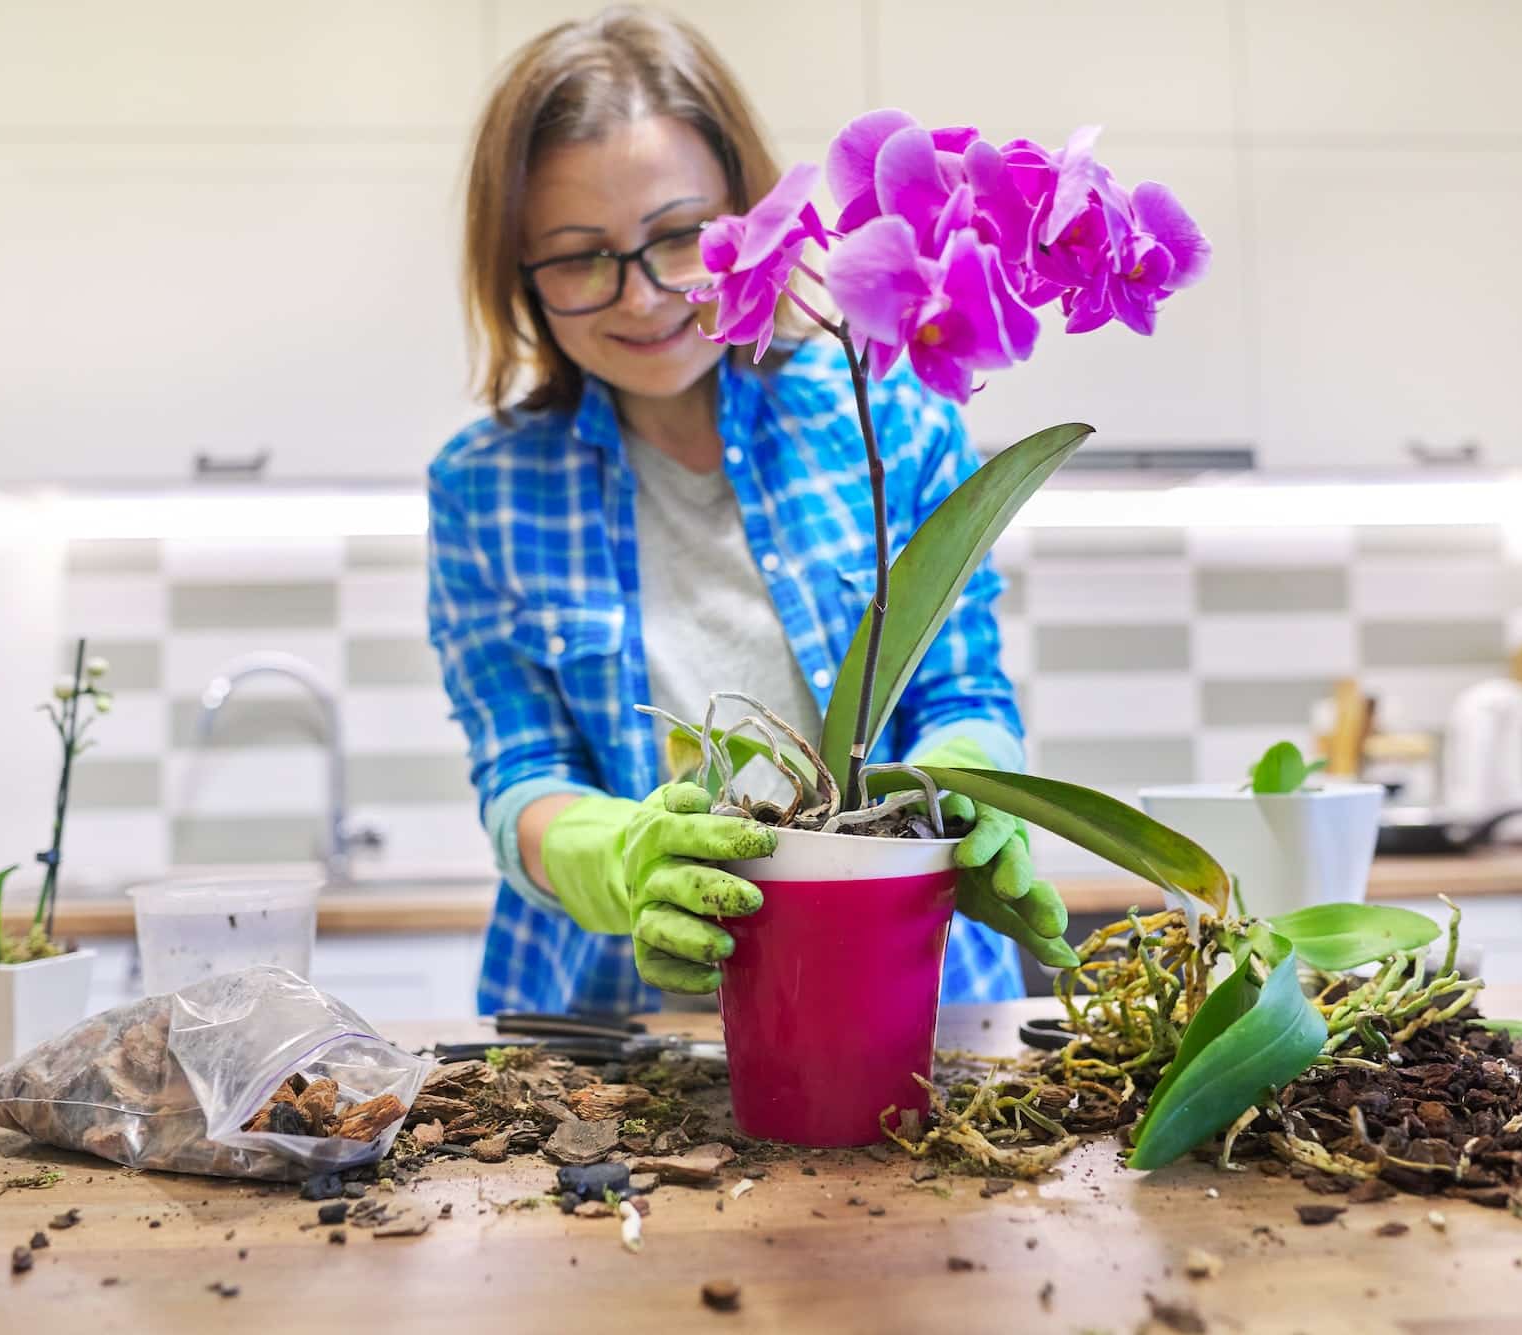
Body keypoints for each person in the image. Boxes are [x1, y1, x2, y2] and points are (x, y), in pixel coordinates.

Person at [429, 5, 1079, 1015]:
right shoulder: (487, 486)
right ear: (514, 269)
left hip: (913, 1008)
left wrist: (965, 791)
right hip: (614, 1047)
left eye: (680, 236)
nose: (642, 297)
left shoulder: (892, 415)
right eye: (576, 254)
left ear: (753, 211)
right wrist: (615, 857)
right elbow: (522, 771)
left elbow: (962, 695)